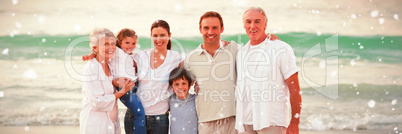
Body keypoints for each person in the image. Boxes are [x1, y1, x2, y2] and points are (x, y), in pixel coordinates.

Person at [235, 7, 302, 134]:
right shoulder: (240, 53)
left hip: (271, 122)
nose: (252, 26)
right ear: (244, 25)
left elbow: (294, 88)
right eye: (248, 22)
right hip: (245, 123)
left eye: (257, 21)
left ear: (265, 24)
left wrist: (294, 122)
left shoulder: (281, 49)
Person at [184, 11, 239, 134]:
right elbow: (181, 85)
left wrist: (269, 39)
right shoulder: (191, 58)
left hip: (232, 120)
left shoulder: (233, 49)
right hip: (206, 122)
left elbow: (255, 48)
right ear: (200, 29)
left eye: (215, 28)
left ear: (222, 29)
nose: (210, 32)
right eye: (206, 28)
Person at [82, 28, 146, 134]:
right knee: (139, 113)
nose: (111, 47)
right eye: (106, 44)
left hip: (111, 123)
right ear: (95, 47)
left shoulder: (110, 64)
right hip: (96, 124)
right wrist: (122, 91)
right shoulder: (91, 69)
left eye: (113, 43)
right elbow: (97, 102)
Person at [134, 20, 183, 134]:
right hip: (137, 116)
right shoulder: (141, 56)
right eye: (155, 35)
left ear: (169, 36)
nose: (158, 39)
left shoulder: (176, 58)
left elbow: (191, 76)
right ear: (151, 36)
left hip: (160, 118)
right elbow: (120, 60)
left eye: (162, 35)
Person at [168, 67, 198, 134]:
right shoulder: (170, 100)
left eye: (184, 83)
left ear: (189, 85)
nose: (180, 87)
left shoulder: (195, 100)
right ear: (171, 87)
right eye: (176, 84)